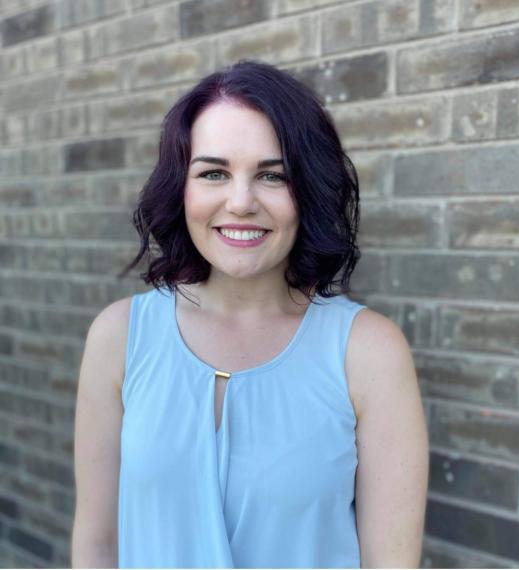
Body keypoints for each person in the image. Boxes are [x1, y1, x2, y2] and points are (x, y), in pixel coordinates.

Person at [71, 59, 429, 569]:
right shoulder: (118, 336)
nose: (241, 202)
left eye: (272, 175)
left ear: (308, 190)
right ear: (182, 188)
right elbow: (96, 545)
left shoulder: (369, 351)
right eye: (213, 172)